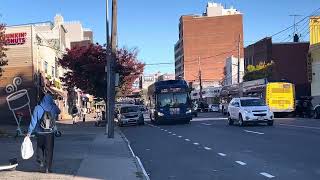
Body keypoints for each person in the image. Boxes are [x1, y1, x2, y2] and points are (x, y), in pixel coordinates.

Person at [27, 92, 61, 173]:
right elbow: (59, 111)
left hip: (40, 132)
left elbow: (33, 121)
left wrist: (29, 132)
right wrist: (53, 104)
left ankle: (40, 161)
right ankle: (48, 168)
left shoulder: (37, 108)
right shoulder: (53, 107)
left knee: (40, 147)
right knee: (49, 150)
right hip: (50, 133)